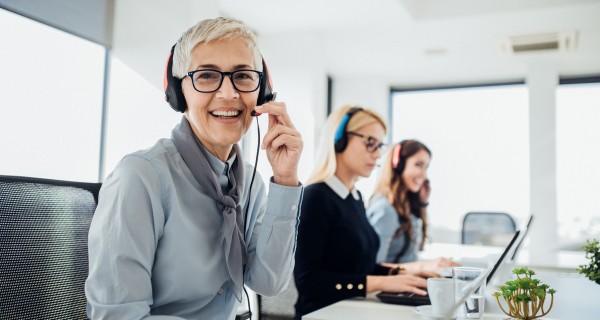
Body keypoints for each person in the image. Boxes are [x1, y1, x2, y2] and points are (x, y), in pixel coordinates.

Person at [85, 17, 304, 319]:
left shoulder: (252, 182)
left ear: (262, 92)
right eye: (206, 76)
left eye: (242, 76)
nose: (228, 94)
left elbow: (269, 282)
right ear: (178, 92)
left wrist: (286, 180)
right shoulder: (141, 176)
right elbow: (117, 315)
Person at [294, 105, 437, 319]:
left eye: (380, 145)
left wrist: (403, 274)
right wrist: (382, 282)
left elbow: (361, 267)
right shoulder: (316, 197)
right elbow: (308, 282)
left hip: (353, 311)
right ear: (339, 139)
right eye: (370, 143)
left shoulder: (355, 198)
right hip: (323, 314)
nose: (379, 154)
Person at [367, 140, 458, 268]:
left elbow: (411, 256)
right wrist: (424, 267)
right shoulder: (386, 210)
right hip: (392, 286)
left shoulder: (405, 208)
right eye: (418, 165)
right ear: (399, 165)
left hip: (405, 284)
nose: (424, 175)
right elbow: (373, 267)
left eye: (426, 167)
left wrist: (422, 206)